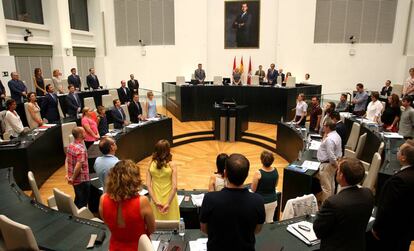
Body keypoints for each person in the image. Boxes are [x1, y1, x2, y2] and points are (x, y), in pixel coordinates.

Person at [200, 153, 265, 250]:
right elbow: (257, 230)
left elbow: (204, 229)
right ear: (247, 175)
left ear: (225, 173)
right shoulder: (258, 201)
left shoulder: (210, 199)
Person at [313, 157, 374, 251]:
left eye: (338, 170)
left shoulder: (333, 203)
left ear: (341, 176)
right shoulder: (368, 194)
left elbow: (319, 231)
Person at [99, 160, 155, 251]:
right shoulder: (142, 201)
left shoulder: (103, 199)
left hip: (114, 247)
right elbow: (152, 229)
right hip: (139, 248)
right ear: (134, 179)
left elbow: (107, 222)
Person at [368, 140, 414, 251]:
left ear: (403, 158)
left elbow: (387, 207)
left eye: (399, 150)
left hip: (390, 233)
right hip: (406, 230)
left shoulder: (399, 180)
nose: (397, 151)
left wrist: (376, 227)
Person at [146, 139, 180, 220]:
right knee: (172, 223)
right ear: (168, 150)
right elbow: (174, 187)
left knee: (156, 222)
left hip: (156, 197)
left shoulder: (150, 163)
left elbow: (148, 185)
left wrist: (155, 202)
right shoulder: (172, 165)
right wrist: (168, 203)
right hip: (170, 198)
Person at [316, 120, 342, 202]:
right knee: (331, 184)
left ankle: (325, 206)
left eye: (324, 125)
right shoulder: (336, 135)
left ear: (328, 127)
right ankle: (331, 202)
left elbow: (331, 155)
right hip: (332, 163)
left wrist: (335, 164)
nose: (323, 127)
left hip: (328, 164)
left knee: (326, 188)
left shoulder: (330, 139)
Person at [251, 151, 279, 223]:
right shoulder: (276, 171)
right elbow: (275, 185)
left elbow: (253, 189)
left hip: (261, 202)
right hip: (273, 201)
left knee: (260, 223)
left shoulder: (258, 173)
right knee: (269, 221)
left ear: (261, 160)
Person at [66, 127, 90, 208]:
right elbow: (79, 165)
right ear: (80, 134)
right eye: (84, 132)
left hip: (74, 179)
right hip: (82, 179)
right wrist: (72, 178)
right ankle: (81, 218)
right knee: (83, 203)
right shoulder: (81, 149)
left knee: (78, 198)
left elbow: (67, 161)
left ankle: (74, 214)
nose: (85, 133)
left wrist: (68, 175)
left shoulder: (70, 146)